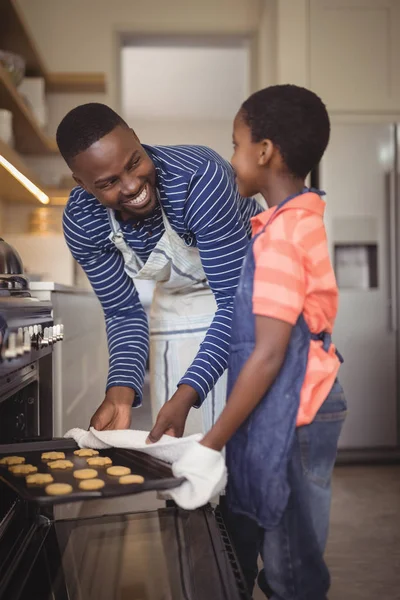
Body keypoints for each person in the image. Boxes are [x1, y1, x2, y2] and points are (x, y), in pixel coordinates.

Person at [193, 85, 347, 599]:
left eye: (235, 143)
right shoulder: (289, 222)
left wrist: (210, 442)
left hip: (296, 407)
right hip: (293, 399)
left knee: (290, 565)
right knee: (263, 528)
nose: (232, 158)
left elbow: (269, 351)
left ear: (263, 151)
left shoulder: (283, 236)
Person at [56, 103, 263, 435]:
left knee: (241, 447)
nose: (132, 186)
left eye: (134, 162)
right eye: (109, 182)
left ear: (137, 139)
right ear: (81, 183)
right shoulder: (83, 222)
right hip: (177, 302)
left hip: (248, 291)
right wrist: (119, 396)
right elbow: (123, 312)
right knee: (179, 455)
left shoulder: (199, 178)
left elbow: (235, 303)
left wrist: (187, 394)